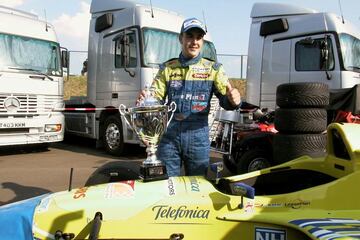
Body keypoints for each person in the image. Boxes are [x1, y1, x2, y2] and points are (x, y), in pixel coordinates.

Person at [137, 17, 241, 177]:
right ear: (181, 38)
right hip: (170, 135)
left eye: (198, 37)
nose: (194, 41)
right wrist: (146, 102)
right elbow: (155, 98)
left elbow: (225, 99)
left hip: (198, 135)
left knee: (197, 187)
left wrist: (234, 101)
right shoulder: (168, 68)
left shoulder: (213, 69)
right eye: (189, 36)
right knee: (165, 184)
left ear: (203, 41)